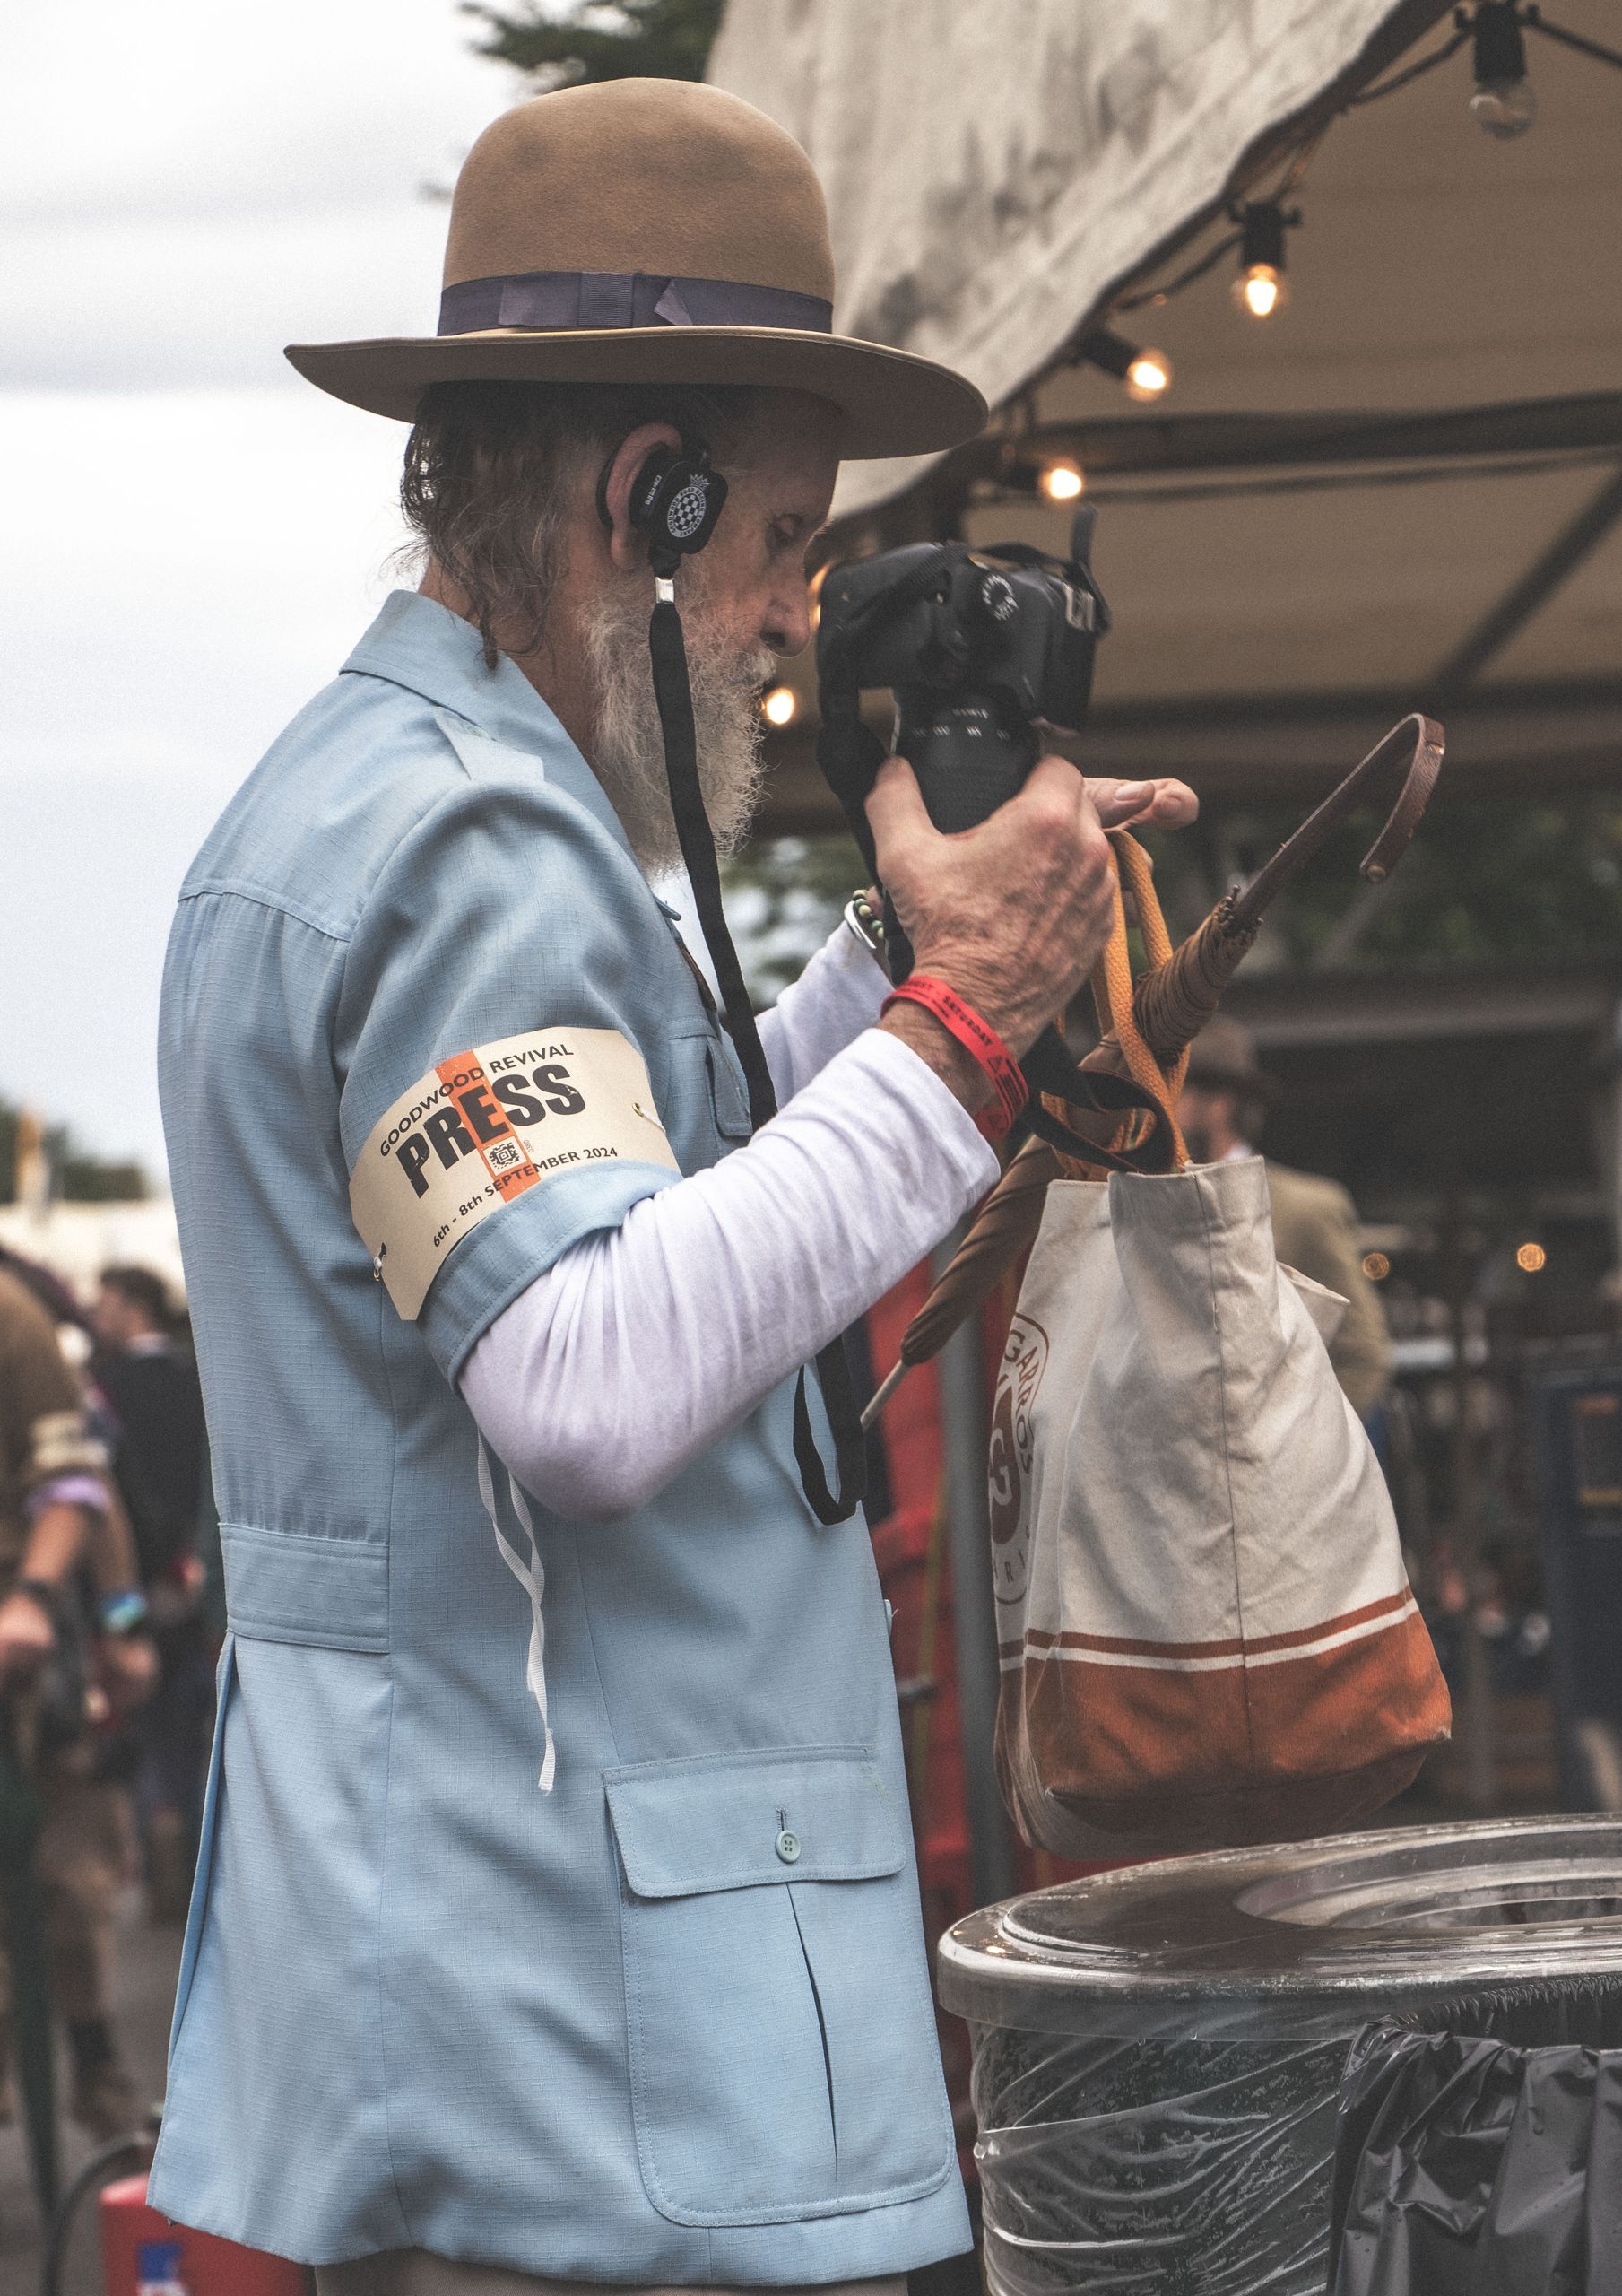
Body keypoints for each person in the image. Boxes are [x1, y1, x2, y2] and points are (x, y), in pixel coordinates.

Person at [148, 78, 1199, 2296]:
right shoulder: (471, 850)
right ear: (654, 492)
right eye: (780, 540)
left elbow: (662, 1195)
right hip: (584, 2088)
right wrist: (967, 1023)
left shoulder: (377, 799)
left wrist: (926, 965)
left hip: (464, 2027)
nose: (793, 616)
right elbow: (590, 1371)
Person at [0, 1263, 154, 2137]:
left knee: (71, 1872)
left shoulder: (14, 1318)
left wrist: (119, 1623)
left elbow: (79, 1489)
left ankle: (94, 2066)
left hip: (36, 1624)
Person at [1179, 1015, 1392, 1422]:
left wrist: (1299, 1450)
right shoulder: (1146, 1203)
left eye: (1176, 1087)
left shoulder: (1303, 1210)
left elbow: (1362, 1351)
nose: (1164, 1104)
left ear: (1220, 1100)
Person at [90, 1264, 213, 1921]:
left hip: (132, 1585)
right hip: (198, 1575)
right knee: (199, 1723)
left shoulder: (105, 1388)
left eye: (107, 1303)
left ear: (136, 1307)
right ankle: (198, 1861)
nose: (96, 1314)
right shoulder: (201, 1376)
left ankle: (157, 1865)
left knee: (144, 1720)